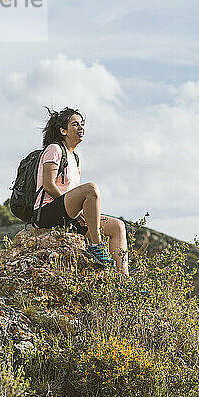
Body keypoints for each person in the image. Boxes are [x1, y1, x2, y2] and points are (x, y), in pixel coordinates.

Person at [33, 107, 129, 276]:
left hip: (68, 214)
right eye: (75, 124)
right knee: (91, 189)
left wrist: (80, 214)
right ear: (63, 130)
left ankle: (124, 281)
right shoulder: (54, 150)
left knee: (117, 226)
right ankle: (96, 244)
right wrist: (77, 214)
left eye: (82, 124)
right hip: (47, 213)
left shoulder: (75, 158)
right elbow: (48, 185)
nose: (81, 128)